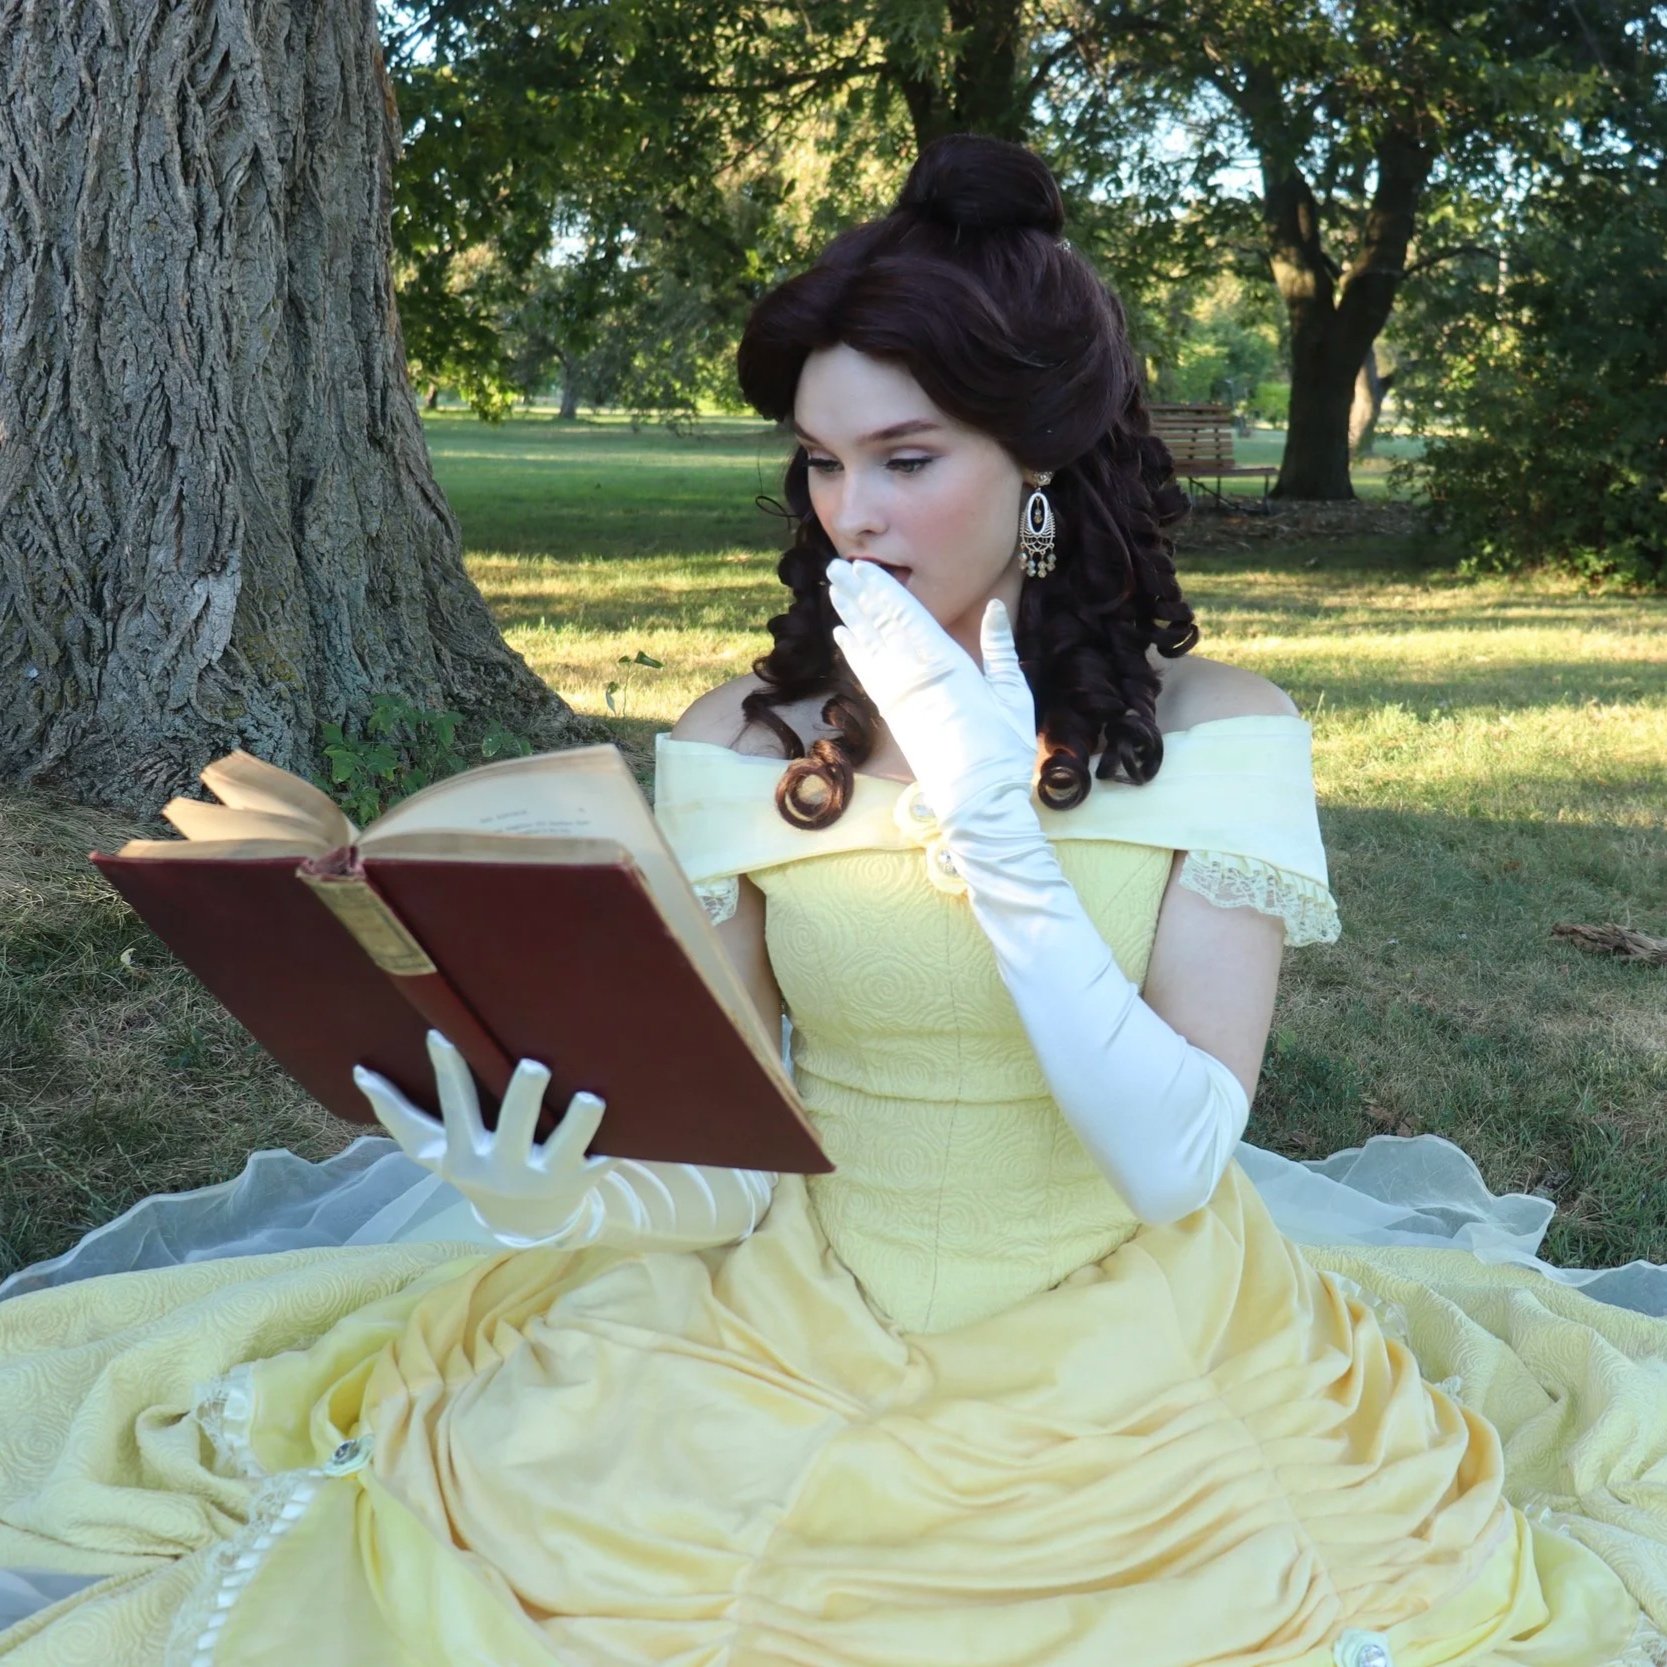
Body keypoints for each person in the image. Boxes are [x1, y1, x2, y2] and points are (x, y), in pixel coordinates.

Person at [2, 133, 1665, 1667]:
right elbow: (727, 1171)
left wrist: (994, 827)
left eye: (905, 458)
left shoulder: (1225, 734)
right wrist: (543, 1198)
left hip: (1134, 1340)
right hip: (786, 1299)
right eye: (818, 463)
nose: (852, 517)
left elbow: (1171, 1163)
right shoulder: (742, 741)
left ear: (1041, 465)